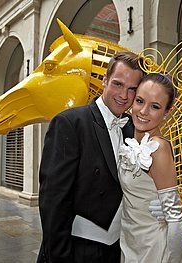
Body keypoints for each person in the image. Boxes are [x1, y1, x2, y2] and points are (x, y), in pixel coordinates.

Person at [37, 51, 145, 263]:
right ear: (104, 81)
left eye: (132, 89)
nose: (124, 95)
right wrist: (59, 256)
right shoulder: (70, 123)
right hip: (78, 248)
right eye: (117, 84)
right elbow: (53, 199)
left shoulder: (132, 128)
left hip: (117, 248)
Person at [118, 73, 182, 262]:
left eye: (155, 107)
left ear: (166, 113)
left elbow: (175, 219)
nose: (143, 111)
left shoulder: (158, 149)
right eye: (140, 101)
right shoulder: (129, 140)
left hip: (155, 248)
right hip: (131, 241)